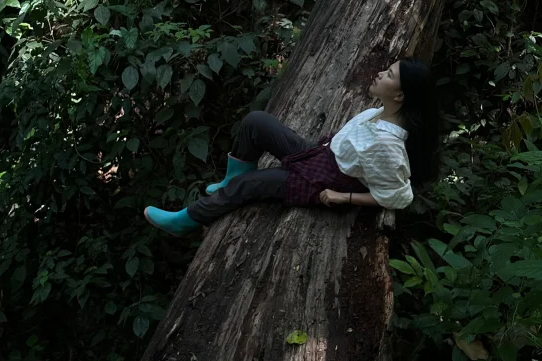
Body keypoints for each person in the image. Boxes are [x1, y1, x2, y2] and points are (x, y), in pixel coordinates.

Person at [143, 59, 439, 235]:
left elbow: (398, 196)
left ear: (400, 95)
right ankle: (230, 179)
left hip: (322, 182)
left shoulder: (388, 145)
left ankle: (186, 221)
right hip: (320, 157)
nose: (380, 73)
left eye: (389, 74)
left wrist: (344, 196)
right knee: (256, 121)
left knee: (248, 186)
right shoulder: (379, 113)